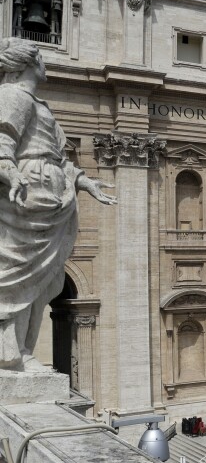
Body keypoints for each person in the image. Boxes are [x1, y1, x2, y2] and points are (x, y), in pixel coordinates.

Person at [0, 38, 117, 371]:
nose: (45, 62)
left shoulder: (37, 104)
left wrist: (85, 181)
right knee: (18, 278)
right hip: (28, 193)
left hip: (50, 193)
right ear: (28, 63)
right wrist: (8, 169)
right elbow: (3, 141)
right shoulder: (13, 97)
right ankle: (10, 354)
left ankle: (21, 351)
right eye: (40, 57)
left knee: (45, 280)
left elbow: (56, 157)